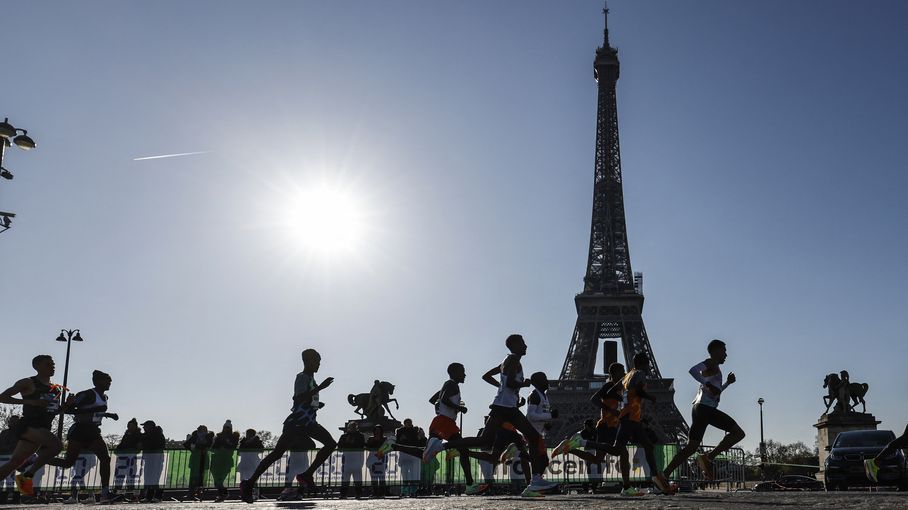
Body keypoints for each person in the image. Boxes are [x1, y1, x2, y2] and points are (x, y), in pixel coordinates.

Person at [424, 334, 558, 497]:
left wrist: (500, 387)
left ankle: (441, 446)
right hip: (506, 407)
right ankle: (534, 481)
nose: (526, 346)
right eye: (522, 343)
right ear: (514, 345)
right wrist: (523, 384)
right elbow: (509, 383)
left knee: (485, 440)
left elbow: (487, 376)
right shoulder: (514, 360)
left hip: (501, 405)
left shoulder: (506, 361)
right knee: (533, 437)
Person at [240, 348, 337, 503]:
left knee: (331, 444)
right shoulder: (302, 377)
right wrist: (320, 388)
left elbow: (306, 399)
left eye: (319, 362)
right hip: (297, 423)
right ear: (308, 362)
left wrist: (316, 404)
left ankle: (306, 475)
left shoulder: (311, 379)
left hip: (309, 423)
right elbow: (299, 398)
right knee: (277, 454)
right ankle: (249, 484)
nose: (319, 364)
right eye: (316, 361)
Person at [391, 362, 489, 495]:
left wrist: (442, 406)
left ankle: (395, 446)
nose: (465, 374)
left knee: (430, 454)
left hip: (445, 422)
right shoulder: (451, 384)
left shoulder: (448, 385)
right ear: (454, 373)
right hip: (443, 422)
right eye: (462, 371)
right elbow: (443, 398)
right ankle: (470, 483)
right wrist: (458, 407)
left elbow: (434, 400)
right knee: (454, 451)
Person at [552, 362, 641, 496]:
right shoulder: (609, 385)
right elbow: (594, 399)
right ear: (613, 374)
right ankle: (627, 487)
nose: (623, 373)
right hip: (607, 425)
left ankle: (571, 447)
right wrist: (610, 410)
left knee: (597, 459)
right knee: (622, 453)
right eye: (621, 371)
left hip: (610, 426)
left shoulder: (620, 388)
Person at [663, 339, 745, 481]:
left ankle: (665, 474)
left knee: (691, 447)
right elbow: (693, 370)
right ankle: (709, 457)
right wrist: (707, 382)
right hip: (705, 409)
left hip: (700, 408)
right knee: (738, 433)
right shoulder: (711, 362)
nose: (726, 354)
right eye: (724, 350)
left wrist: (727, 383)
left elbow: (715, 392)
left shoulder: (715, 368)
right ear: (715, 351)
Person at [45, 370, 119, 503]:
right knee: (68, 463)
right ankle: (39, 460)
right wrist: (92, 411)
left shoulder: (105, 397)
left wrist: (108, 415)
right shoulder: (88, 394)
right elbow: (67, 410)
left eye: (110, 381)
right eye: (107, 380)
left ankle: (105, 493)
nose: (110, 383)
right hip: (79, 431)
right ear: (97, 382)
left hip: (93, 431)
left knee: (105, 458)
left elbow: (97, 413)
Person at [0, 355, 64, 497]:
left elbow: (52, 412)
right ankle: (28, 474)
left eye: (53, 364)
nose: (52, 366)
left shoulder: (55, 388)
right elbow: (2, 397)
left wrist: (66, 406)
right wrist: (29, 402)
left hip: (44, 427)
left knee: (14, 463)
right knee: (57, 446)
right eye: (48, 364)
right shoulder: (28, 382)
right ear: (37, 366)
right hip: (30, 425)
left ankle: (25, 475)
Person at [612, 352, 674, 494]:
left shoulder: (627, 375)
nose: (649, 368)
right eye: (648, 365)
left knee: (648, 445)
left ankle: (657, 481)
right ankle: (582, 443)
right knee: (617, 450)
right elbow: (639, 391)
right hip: (630, 417)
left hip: (632, 417)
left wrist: (624, 401)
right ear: (644, 363)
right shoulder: (639, 373)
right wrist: (650, 396)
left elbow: (612, 390)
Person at [182, 424, 213, 501]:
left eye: (204, 430)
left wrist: (197, 446)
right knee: (193, 477)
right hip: (195, 459)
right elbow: (186, 444)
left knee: (201, 477)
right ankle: (191, 494)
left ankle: (199, 494)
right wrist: (193, 448)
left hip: (203, 458)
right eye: (201, 430)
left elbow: (209, 445)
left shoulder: (209, 436)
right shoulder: (195, 436)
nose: (203, 432)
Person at [210, 420, 239, 502]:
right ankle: (222, 494)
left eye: (228, 428)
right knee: (216, 481)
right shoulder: (218, 436)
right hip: (216, 460)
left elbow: (233, 446)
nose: (227, 429)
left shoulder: (234, 437)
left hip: (226, 460)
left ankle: (223, 494)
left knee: (220, 479)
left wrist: (227, 444)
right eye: (225, 427)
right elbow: (214, 447)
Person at [140, 420, 166, 503]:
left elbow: (157, 444)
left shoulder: (158, 434)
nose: (143, 428)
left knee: (157, 478)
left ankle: (158, 496)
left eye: (145, 426)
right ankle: (149, 497)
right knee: (149, 478)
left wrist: (144, 444)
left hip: (157, 459)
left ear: (150, 427)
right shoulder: (146, 435)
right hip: (149, 459)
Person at [336, 422, 364, 499]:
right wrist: (347, 443)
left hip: (357, 460)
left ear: (357, 428)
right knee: (345, 479)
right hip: (346, 461)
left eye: (354, 427)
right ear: (348, 428)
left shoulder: (360, 436)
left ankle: (358, 494)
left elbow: (361, 445)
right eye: (351, 427)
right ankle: (343, 494)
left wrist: (350, 444)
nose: (352, 428)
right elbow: (339, 448)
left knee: (358, 479)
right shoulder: (344, 436)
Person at [393, 419, 421, 497]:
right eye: (407, 423)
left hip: (412, 455)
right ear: (404, 424)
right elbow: (397, 441)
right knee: (404, 475)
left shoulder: (414, 431)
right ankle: (404, 491)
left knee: (412, 475)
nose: (409, 424)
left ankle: (413, 491)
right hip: (404, 456)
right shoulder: (400, 431)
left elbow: (417, 442)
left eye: (410, 423)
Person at [365, 424, 388, 498]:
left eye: (379, 430)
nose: (377, 431)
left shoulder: (385, 439)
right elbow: (367, 447)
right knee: (373, 477)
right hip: (372, 459)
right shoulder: (370, 438)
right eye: (376, 430)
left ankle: (382, 492)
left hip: (381, 459)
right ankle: (375, 492)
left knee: (382, 477)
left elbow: (386, 447)